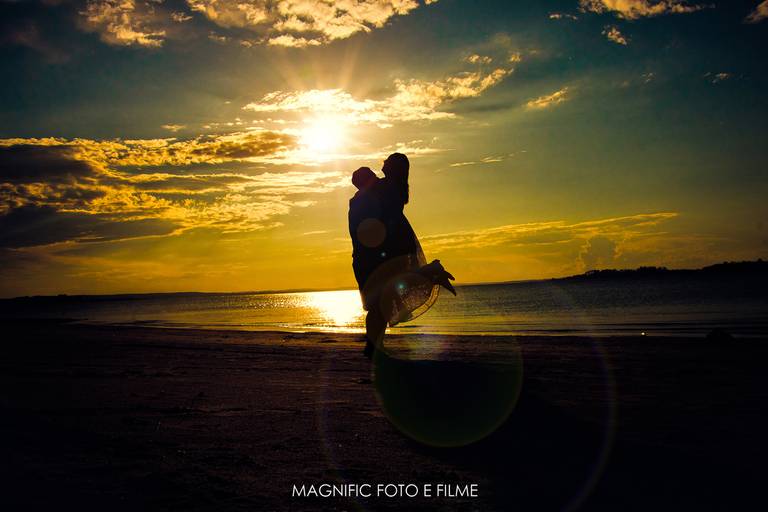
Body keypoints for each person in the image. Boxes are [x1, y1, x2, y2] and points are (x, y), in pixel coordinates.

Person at [348, 154, 455, 359]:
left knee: (380, 301)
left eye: (385, 164)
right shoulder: (378, 192)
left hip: (381, 255)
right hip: (372, 256)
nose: (381, 168)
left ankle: (373, 347)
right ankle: (373, 347)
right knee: (379, 304)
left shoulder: (385, 190)